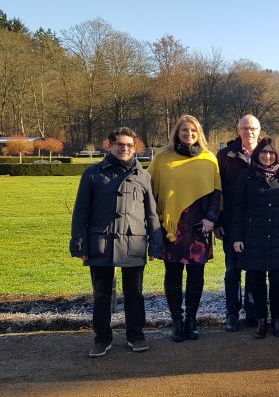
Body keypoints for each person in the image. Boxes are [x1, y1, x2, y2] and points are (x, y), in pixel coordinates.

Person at [70, 127, 163, 357]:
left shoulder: (143, 176)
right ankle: (102, 338)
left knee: (135, 293)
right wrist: (79, 245)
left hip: (134, 243)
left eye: (129, 145)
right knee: (101, 295)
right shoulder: (92, 174)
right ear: (109, 145)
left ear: (135, 148)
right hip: (101, 243)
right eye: (120, 144)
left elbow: (152, 214)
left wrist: (156, 244)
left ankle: (136, 335)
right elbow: (81, 212)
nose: (125, 148)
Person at [149, 115, 222, 342]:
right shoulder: (162, 159)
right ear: (177, 133)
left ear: (198, 132)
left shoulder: (209, 159)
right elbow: (148, 189)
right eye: (184, 130)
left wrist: (211, 219)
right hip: (171, 226)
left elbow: (216, 192)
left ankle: (191, 320)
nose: (188, 134)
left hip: (199, 227)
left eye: (192, 130)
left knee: (196, 275)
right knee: (172, 275)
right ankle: (176, 322)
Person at [230, 138, 279, 339]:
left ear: (277, 155)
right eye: (263, 152)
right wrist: (237, 237)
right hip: (253, 236)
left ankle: (276, 319)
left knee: (277, 281)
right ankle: (261, 320)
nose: (267, 156)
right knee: (256, 281)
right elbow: (238, 209)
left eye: (271, 152)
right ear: (257, 154)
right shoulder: (246, 176)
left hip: (278, 235)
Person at [216, 114, 261, 331]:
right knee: (232, 270)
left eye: (252, 128)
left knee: (254, 269)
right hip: (232, 223)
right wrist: (217, 221)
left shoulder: (267, 153)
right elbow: (218, 191)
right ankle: (232, 313)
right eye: (245, 128)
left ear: (259, 130)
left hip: (259, 224)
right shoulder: (225, 155)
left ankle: (252, 312)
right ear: (238, 130)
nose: (249, 132)